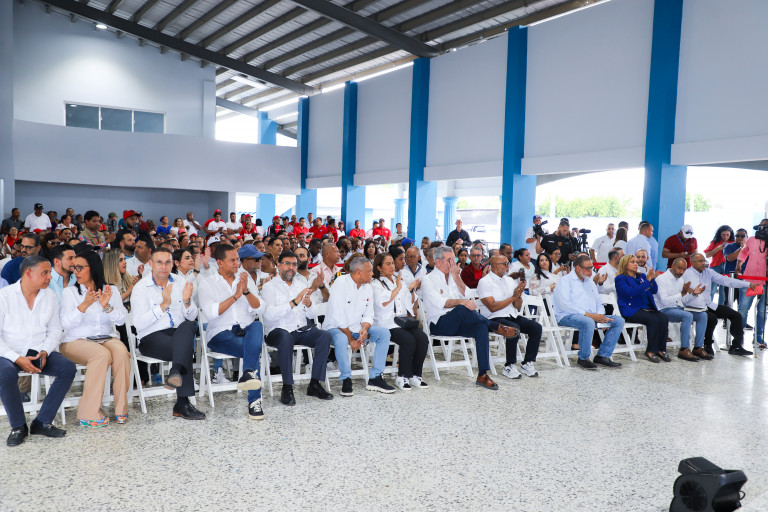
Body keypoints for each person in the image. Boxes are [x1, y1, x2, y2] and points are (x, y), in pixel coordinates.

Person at [0, 255, 77, 446]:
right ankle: (18, 426)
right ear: (28, 273)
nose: (50, 277)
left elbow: (55, 329)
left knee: (67, 368)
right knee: (5, 373)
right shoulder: (4, 296)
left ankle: (42, 422)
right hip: (8, 353)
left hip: (38, 350)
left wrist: (45, 351)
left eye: (49, 272)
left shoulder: (49, 295)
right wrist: (17, 358)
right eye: (45, 273)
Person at [421, 246, 517, 389]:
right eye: (449, 260)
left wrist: (456, 276)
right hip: (440, 324)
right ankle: (495, 326)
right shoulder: (427, 280)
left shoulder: (453, 277)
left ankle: (483, 375)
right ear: (438, 262)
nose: (453, 263)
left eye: (453, 260)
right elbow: (440, 303)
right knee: (461, 307)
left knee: (481, 327)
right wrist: (461, 302)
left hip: (460, 322)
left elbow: (468, 295)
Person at [130, 247, 204, 420]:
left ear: (172, 264)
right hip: (152, 338)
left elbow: (192, 315)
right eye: (159, 262)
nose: (164, 267)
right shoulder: (141, 288)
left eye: (167, 262)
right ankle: (182, 403)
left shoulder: (180, 281)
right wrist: (163, 305)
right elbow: (139, 323)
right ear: (150, 264)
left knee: (188, 326)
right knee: (184, 347)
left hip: (179, 334)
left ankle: (176, 371)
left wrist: (187, 301)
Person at [59, 250, 130, 427]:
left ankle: (121, 409)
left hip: (105, 337)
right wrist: (84, 305)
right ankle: (88, 412)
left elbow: (122, 319)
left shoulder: (111, 290)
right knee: (101, 354)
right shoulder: (70, 292)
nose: (76, 272)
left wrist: (107, 306)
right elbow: (65, 323)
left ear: (93, 268)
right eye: (74, 268)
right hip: (74, 341)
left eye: (80, 267)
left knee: (121, 352)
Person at [198, 244, 266, 419]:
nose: (238, 263)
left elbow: (260, 308)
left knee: (257, 326)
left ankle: (248, 373)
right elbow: (211, 313)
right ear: (220, 262)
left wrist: (246, 291)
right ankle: (255, 401)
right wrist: (236, 296)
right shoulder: (207, 283)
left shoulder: (245, 279)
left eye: (237, 259)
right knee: (252, 349)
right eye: (233, 260)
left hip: (246, 330)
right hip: (220, 334)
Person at [262, 251, 334, 405]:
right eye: (287, 263)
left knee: (324, 336)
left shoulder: (301, 285)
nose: (291, 268)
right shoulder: (269, 287)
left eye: (294, 264)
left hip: (300, 329)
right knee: (285, 337)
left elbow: (312, 313)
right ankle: (287, 387)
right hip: (277, 330)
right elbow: (268, 315)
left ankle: (315, 384)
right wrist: (294, 302)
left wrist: (309, 304)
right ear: (278, 265)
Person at [323, 257, 395, 396]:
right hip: (335, 328)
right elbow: (338, 317)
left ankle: (375, 377)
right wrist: (351, 339)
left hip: (356, 328)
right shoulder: (341, 283)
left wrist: (364, 329)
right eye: (369, 271)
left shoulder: (367, 287)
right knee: (342, 339)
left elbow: (369, 314)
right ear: (358, 273)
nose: (372, 274)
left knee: (384, 333)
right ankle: (346, 379)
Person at [553, 254, 625, 370]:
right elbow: (565, 305)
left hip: (591, 316)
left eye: (591, 268)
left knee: (618, 321)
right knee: (588, 322)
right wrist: (589, 315)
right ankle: (583, 358)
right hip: (567, 316)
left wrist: (600, 315)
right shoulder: (565, 281)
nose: (591, 271)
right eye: (588, 268)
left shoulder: (590, 282)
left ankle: (603, 355)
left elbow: (598, 302)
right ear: (578, 268)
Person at [478, 255, 542, 379]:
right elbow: (492, 307)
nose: (508, 266)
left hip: (512, 314)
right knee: (514, 328)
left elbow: (517, 306)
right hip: (493, 318)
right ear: (495, 266)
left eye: (508, 263)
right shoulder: (485, 282)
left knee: (536, 327)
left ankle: (527, 362)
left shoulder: (509, 280)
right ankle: (509, 365)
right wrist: (513, 297)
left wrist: (518, 295)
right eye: (505, 264)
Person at [371, 253, 428, 391]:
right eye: (388, 264)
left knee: (422, 338)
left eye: (392, 263)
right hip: (385, 323)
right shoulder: (375, 284)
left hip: (401, 321)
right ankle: (402, 376)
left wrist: (411, 289)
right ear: (379, 267)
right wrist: (398, 288)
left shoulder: (399, 281)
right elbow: (383, 303)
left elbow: (408, 302)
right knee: (408, 340)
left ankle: (415, 375)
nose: (392, 266)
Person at [684, 253, 755, 356]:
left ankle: (736, 346)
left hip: (708, 305)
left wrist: (748, 284)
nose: (704, 263)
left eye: (704, 261)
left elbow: (726, 280)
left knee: (736, 315)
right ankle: (707, 345)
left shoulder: (709, 272)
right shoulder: (687, 274)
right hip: (694, 307)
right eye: (700, 261)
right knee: (711, 318)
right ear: (693, 263)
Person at [614, 255, 669, 363]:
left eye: (636, 262)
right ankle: (651, 351)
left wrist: (652, 279)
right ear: (625, 265)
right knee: (653, 319)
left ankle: (660, 349)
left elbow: (654, 290)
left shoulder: (642, 276)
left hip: (647, 308)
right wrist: (647, 281)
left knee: (663, 318)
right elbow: (631, 293)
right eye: (632, 262)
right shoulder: (621, 278)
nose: (636, 264)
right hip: (631, 310)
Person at [654, 258, 709, 361]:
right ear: (672, 266)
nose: (682, 272)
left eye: (684, 269)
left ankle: (698, 347)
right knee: (687, 315)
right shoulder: (661, 279)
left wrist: (693, 294)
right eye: (679, 268)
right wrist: (682, 293)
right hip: (663, 309)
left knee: (703, 315)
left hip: (677, 308)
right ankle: (684, 349)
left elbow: (683, 300)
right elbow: (664, 301)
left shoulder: (680, 280)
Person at [701, 225, 734, 301]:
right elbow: (707, 255)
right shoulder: (715, 242)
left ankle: (721, 307)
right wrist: (717, 249)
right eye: (723, 235)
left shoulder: (733, 243)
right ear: (720, 234)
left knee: (723, 292)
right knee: (712, 290)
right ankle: (709, 305)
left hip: (727, 267)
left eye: (727, 235)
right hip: (715, 266)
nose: (725, 237)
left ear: (730, 234)